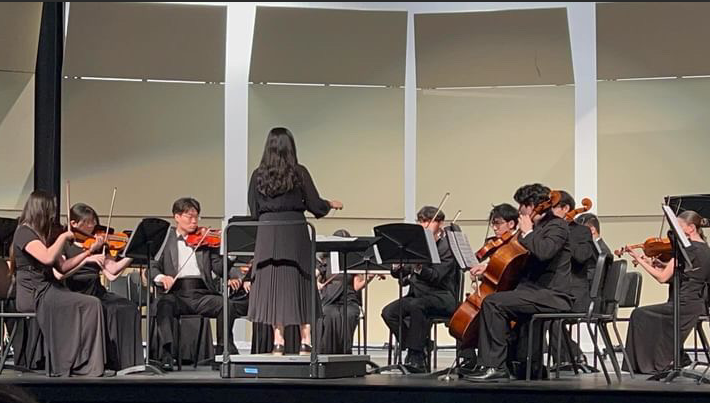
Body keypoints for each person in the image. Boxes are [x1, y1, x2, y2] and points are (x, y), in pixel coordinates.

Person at [247, 127, 343, 355]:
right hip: (294, 232)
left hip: (268, 233)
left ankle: (277, 341)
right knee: (301, 280)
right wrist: (329, 204)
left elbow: (254, 211)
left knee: (273, 283)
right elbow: (315, 204)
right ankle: (305, 340)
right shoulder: (299, 172)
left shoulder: (257, 175)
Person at [466, 183, 573, 381]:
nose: (519, 211)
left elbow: (544, 252)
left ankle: (494, 366)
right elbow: (515, 259)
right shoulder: (536, 227)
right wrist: (489, 268)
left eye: (521, 206)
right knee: (496, 300)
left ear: (531, 205)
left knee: (493, 303)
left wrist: (528, 232)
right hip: (533, 292)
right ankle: (512, 363)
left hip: (553, 294)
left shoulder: (558, 226)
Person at [10, 190, 105, 376]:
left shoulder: (40, 236)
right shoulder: (24, 232)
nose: (53, 216)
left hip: (48, 290)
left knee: (92, 303)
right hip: (34, 294)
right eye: (50, 211)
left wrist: (87, 253)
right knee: (88, 304)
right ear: (41, 210)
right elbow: (46, 258)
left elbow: (62, 267)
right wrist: (62, 238)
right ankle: (76, 363)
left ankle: (84, 362)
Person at [150, 197, 247, 371]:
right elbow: (153, 267)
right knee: (163, 305)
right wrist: (161, 277)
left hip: (202, 293)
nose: (194, 221)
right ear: (177, 217)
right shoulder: (165, 239)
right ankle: (167, 353)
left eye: (197, 217)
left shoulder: (205, 240)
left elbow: (219, 269)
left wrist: (231, 256)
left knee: (226, 305)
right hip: (176, 293)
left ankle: (222, 353)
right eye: (189, 217)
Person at [621, 210, 710, 374]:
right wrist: (660, 264)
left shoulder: (687, 250)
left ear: (690, 228)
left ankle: (648, 364)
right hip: (696, 304)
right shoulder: (704, 249)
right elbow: (686, 275)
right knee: (648, 314)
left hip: (683, 305)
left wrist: (640, 260)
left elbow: (662, 278)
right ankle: (678, 357)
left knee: (639, 314)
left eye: (678, 226)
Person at [60, 203, 141, 371]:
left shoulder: (98, 244)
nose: (92, 227)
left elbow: (111, 272)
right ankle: (102, 361)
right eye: (87, 222)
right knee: (102, 309)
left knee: (128, 308)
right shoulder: (65, 245)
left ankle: (127, 363)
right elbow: (61, 272)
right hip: (75, 291)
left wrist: (132, 254)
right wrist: (87, 257)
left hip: (97, 290)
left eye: (93, 222)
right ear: (73, 224)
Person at [381, 206, 459, 372]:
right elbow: (402, 275)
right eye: (422, 221)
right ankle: (420, 344)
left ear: (440, 223)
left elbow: (437, 277)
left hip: (442, 296)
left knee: (417, 306)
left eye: (428, 221)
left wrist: (418, 268)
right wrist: (397, 266)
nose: (424, 225)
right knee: (389, 312)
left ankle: (416, 354)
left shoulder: (447, 247)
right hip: (417, 296)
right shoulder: (418, 244)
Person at [546, 191, 596, 368]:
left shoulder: (581, 231)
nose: (547, 212)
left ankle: (569, 357)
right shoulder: (547, 230)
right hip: (553, 291)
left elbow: (582, 257)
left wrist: (564, 233)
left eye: (552, 208)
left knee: (548, 315)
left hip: (574, 294)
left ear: (566, 208)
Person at [317, 229, 376, 355]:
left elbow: (356, 286)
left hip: (349, 300)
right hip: (329, 300)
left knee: (349, 314)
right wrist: (317, 283)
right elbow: (316, 279)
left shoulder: (352, 263)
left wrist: (369, 277)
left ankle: (345, 352)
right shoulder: (325, 261)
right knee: (329, 314)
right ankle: (327, 352)